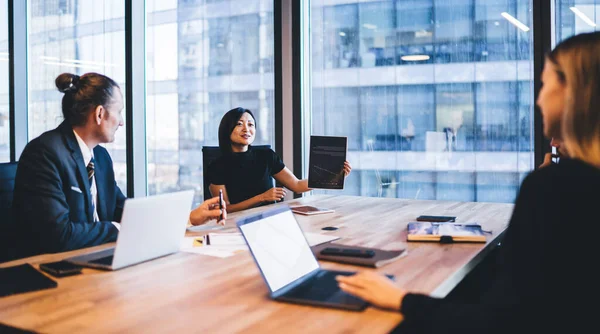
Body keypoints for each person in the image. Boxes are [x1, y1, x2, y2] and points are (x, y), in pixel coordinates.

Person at [336, 31, 600, 333]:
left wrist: (401, 299)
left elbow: (502, 322)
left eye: (546, 83)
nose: (539, 99)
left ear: (575, 93)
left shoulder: (556, 188)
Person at [13, 72, 224, 257]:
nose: (121, 122)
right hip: (51, 275)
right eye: (119, 112)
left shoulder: (101, 158)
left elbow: (126, 213)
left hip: (94, 262)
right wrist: (117, 229)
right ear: (99, 114)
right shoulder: (44, 153)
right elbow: (59, 235)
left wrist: (187, 218)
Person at [208, 107, 351, 213]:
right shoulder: (217, 166)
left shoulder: (266, 155)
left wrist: (331, 176)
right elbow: (225, 208)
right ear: (227, 129)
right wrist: (261, 198)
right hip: (236, 225)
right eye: (239, 124)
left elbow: (297, 185)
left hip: (268, 220)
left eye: (251, 124)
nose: (246, 129)